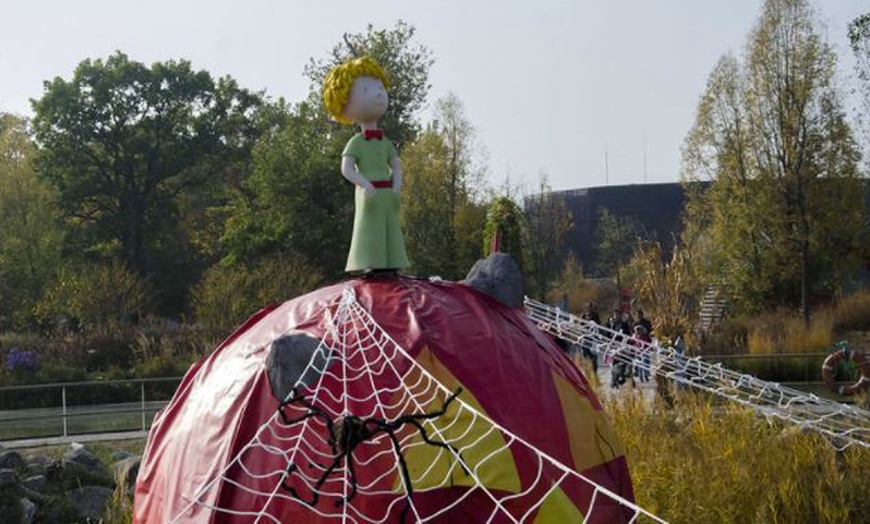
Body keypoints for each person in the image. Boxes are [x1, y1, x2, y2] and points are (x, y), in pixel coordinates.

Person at [322, 56, 409, 273]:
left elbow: (396, 165)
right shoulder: (357, 142)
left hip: (387, 193)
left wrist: (397, 184)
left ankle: (391, 262)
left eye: (380, 88)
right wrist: (363, 183)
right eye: (367, 90)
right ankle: (369, 263)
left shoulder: (385, 141)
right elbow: (347, 169)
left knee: (390, 227)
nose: (379, 93)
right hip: (368, 192)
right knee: (368, 228)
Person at [580, 302, 600, 372]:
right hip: (586, 336)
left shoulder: (595, 315)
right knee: (585, 351)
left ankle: (594, 366)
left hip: (593, 336)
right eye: (588, 307)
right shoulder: (583, 315)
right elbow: (581, 325)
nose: (589, 308)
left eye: (590, 307)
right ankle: (587, 365)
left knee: (594, 351)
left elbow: (598, 324)